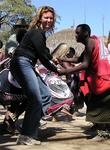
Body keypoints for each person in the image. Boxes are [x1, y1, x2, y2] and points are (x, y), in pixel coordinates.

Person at [9, 6, 60, 145]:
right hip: (21, 63)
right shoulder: (37, 32)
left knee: (45, 95)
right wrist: (57, 70)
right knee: (35, 99)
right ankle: (26, 135)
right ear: (40, 18)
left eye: (51, 18)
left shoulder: (40, 34)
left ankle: (31, 126)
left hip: (27, 64)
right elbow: (42, 56)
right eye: (46, 17)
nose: (49, 20)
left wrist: (52, 58)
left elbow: (43, 52)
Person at [58, 24, 110, 141]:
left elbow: (85, 64)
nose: (75, 35)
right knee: (91, 99)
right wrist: (64, 59)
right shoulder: (91, 43)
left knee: (100, 105)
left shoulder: (90, 43)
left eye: (77, 33)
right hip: (102, 78)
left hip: (102, 80)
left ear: (85, 33)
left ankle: (103, 132)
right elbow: (79, 59)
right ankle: (98, 126)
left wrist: (65, 71)